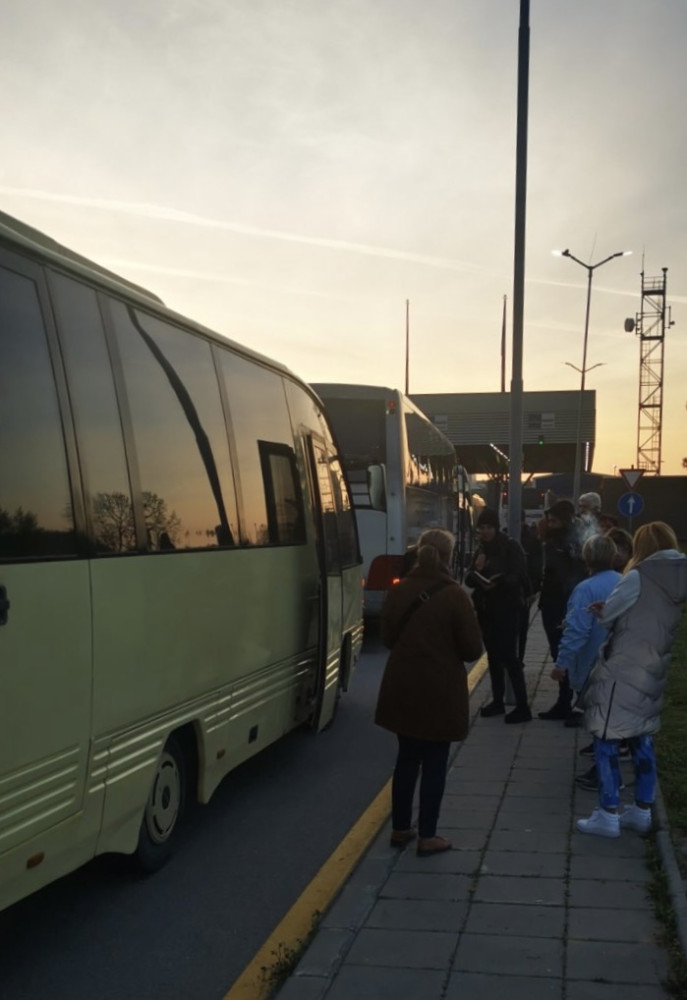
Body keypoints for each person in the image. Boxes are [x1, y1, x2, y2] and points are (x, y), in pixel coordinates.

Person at [375, 528, 483, 856]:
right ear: (449, 556)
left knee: (406, 758)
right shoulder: (454, 595)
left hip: (403, 685)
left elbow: (387, 638)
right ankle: (428, 835)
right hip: (440, 689)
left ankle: (400, 828)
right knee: (435, 761)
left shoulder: (399, 589)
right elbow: (472, 649)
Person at [576, 521, 687, 838]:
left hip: (624, 666)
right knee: (641, 736)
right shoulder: (677, 577)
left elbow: (610, 615)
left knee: (606, 736)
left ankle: (608, 812)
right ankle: (642, 809)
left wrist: (603, 610)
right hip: (653, 665)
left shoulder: (639, 575)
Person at [465, 508, 532, 724]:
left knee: (510, 657)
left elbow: (519, 575)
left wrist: (498, 582)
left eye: (488, 527)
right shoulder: (481, 549)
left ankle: (522, 706)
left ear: (496, 528)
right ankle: (497, 701)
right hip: (486, 610)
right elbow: (468, 579)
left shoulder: (510, 546)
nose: (484, 532)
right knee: (493, 656)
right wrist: (476, 570)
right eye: (481, 528)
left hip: (508, 608)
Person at [549, 534, 621, 729]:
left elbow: (578, 631)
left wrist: (561, 664)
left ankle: (603, 745)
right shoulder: (623, 582)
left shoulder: (585, 589)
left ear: (586, 557)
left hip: (592, 664)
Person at [537, 499, 587, 720]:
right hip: (552, 603)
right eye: (549, 521)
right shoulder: (556, 541)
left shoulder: (568, 543)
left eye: (554, 521)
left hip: (561, 604)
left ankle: (570, 702)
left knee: (565, 653)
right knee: (558, 652)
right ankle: (566, 701)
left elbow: (570, 574)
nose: (550, 524)